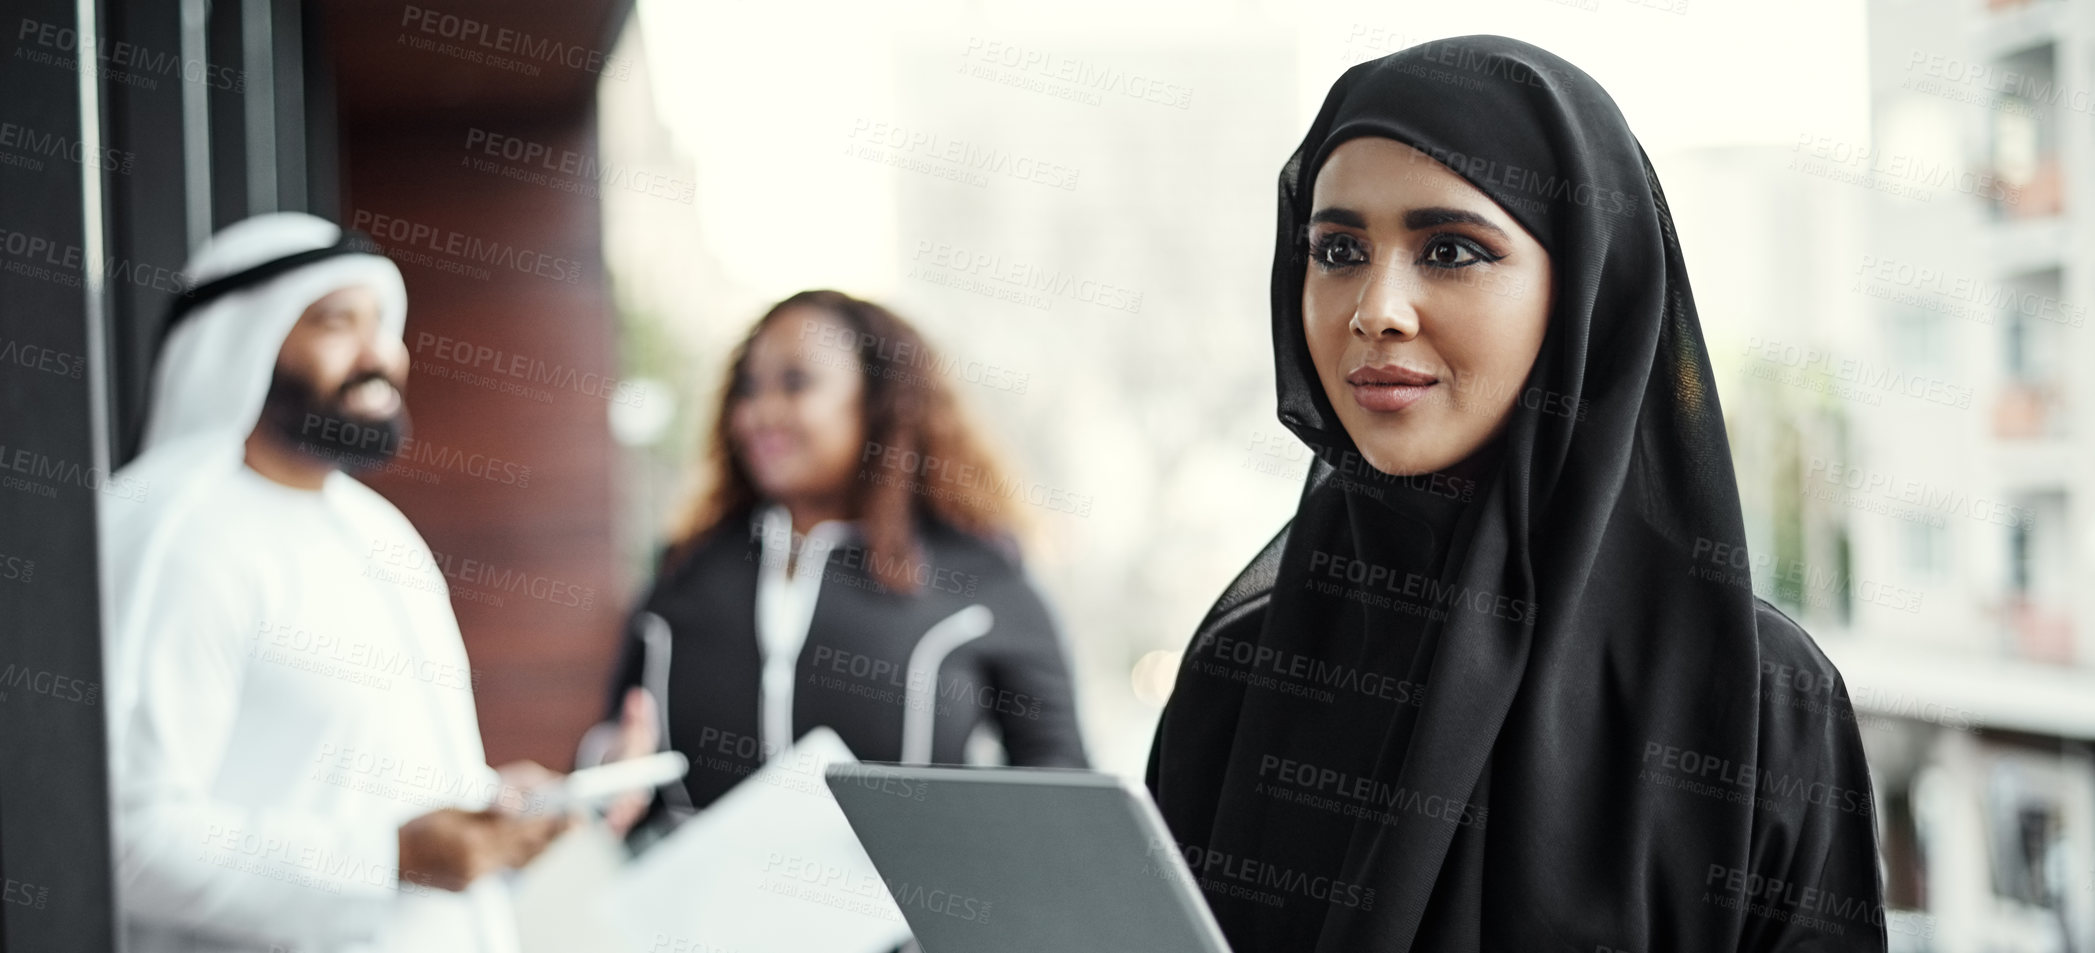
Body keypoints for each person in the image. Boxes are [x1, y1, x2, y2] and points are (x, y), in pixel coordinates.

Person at [1146, 36, 1887, 953]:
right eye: (1336, 248)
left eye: (1450, 249)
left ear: (1585, 290)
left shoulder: (1755, 698)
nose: (1375, 308)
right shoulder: (1247, 664)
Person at [100, 212, 568, 953]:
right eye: (334, 322)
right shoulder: (178, 534)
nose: (379, 352)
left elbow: (370, 791)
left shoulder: (376, 530)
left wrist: (492, 812)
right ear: (242, 342)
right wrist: (391, 858)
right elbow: (125, 839)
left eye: (383, 322)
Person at [580, 289, 1087, 837]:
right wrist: (609, 770)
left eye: (796, 383)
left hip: (907, 918)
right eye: (748, 389)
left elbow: (1063, 792)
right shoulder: (688, 571)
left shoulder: (980, 578)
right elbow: (618, 744)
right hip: (695, 915)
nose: (759, 413)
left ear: (880, 401)